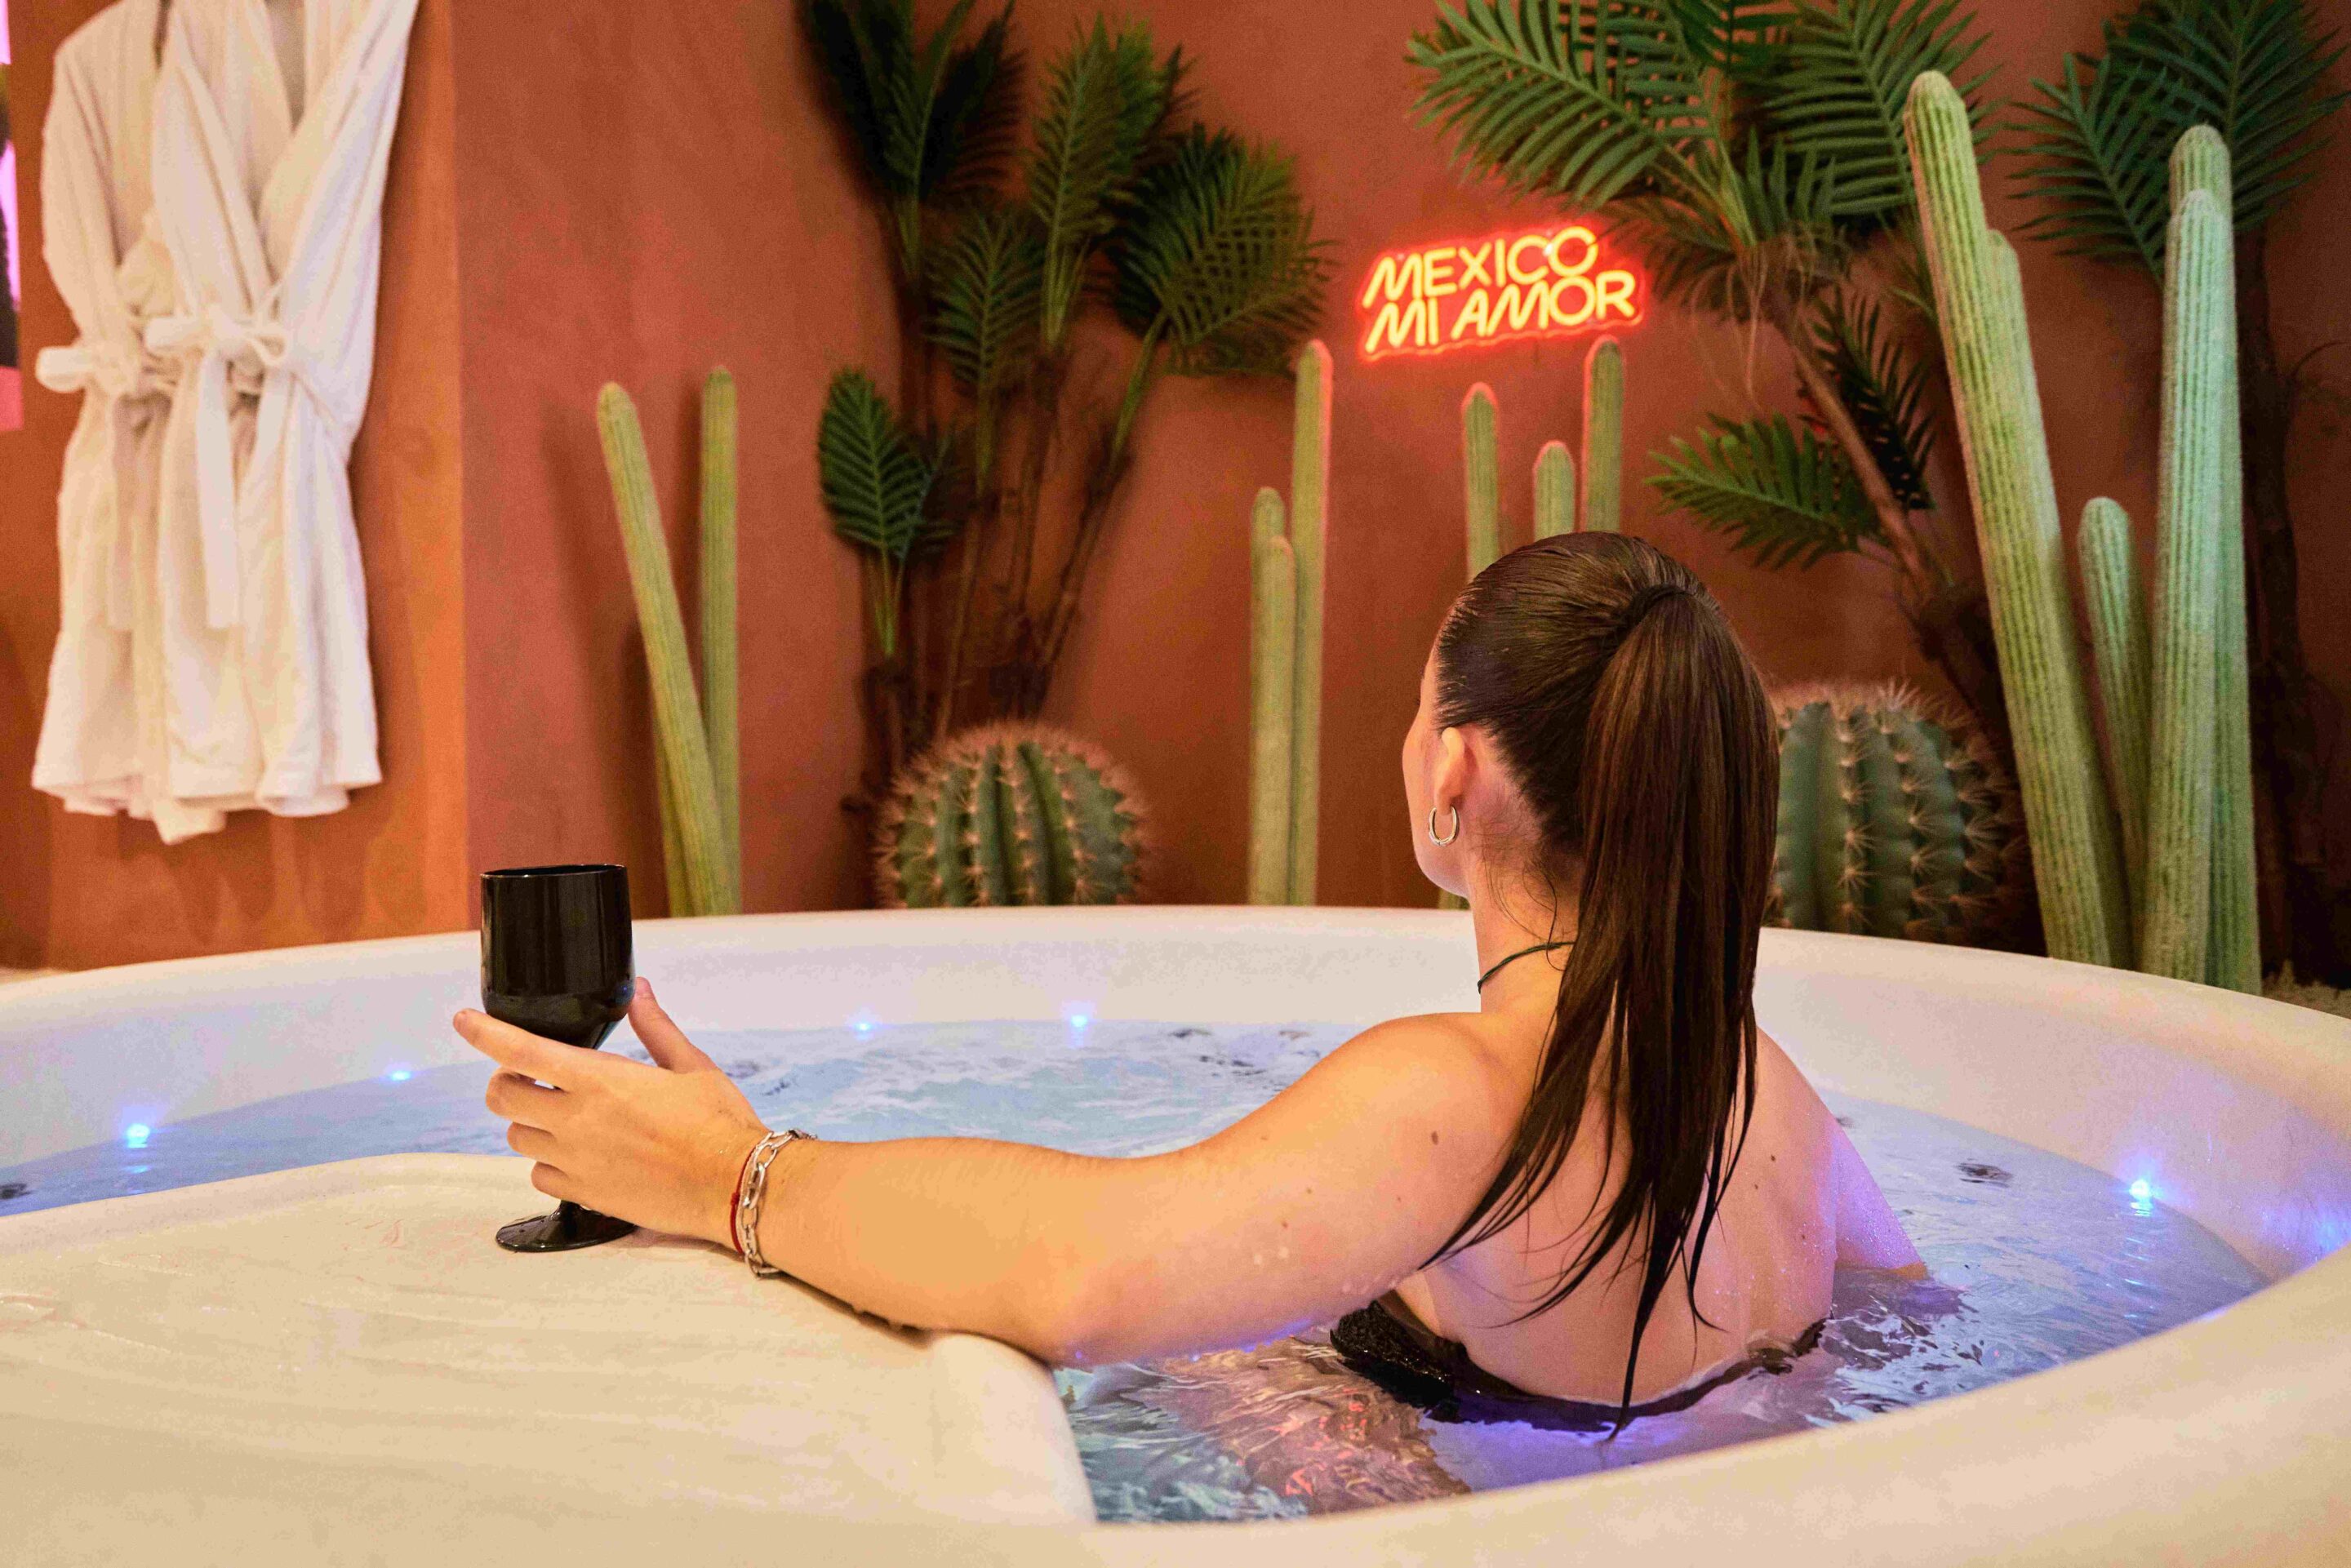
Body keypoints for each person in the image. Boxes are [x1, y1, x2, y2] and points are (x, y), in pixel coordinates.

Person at [460, 532, 1921, 1419]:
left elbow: (1078, 1275)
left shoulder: (1457, 1091)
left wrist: (728, 1169)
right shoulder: (1772, 1095)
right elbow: (1903, 1322)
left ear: (1454, 776)